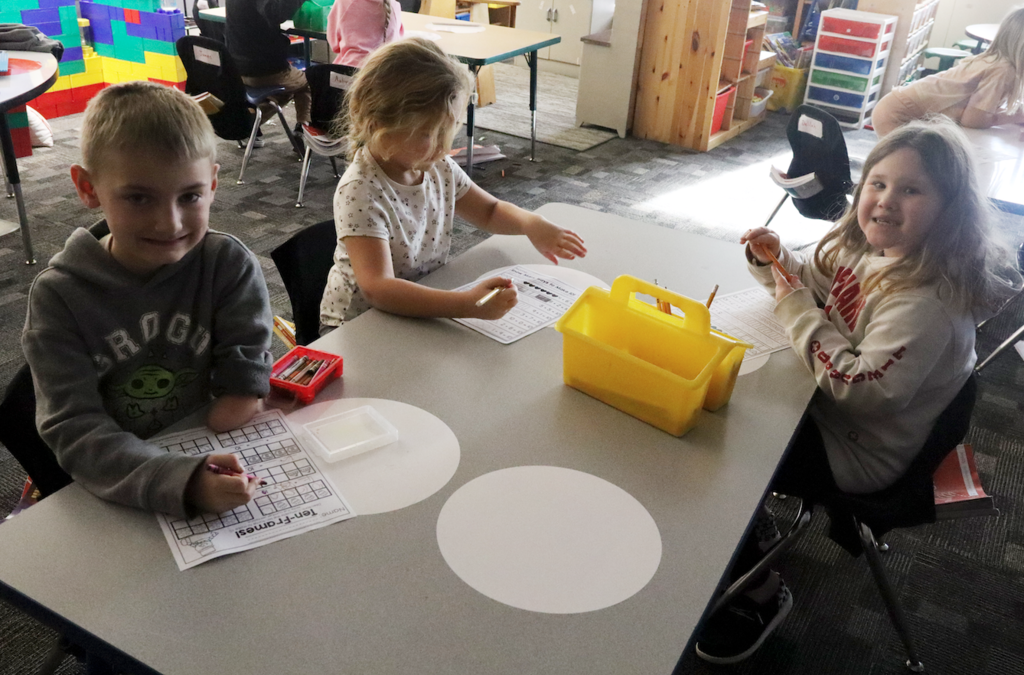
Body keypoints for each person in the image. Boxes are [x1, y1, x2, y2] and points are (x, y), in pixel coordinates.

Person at [695, 117, 1020, 664]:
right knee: (726, 404)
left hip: (861, 449)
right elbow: (813, 286)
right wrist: (774, 261)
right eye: (879, 183)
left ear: (950, 209)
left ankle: (760, 590)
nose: (887, 202)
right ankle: (754, 529)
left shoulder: (925, 303)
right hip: (832, 415)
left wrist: (794, 306)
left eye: (912, 190)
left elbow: (856, 387)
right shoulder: (867, 248)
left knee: (719, 440)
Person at [22, 81, 274, 519]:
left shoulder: (227, 263)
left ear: (213, 185)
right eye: (139, 197)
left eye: (190, 196)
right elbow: (75, 428)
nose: (169, 222)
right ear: (88, 189)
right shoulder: (58, 297)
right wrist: (183, 480)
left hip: (205, 445)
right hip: (119, 479)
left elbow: (247, 360)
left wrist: (244, 388)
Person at [319, 38, 587, 331]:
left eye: (449, 130)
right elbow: (379, 288)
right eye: (428, 133)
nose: (443, 146)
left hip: (420, 301)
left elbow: (489, 211)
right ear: (378, 124)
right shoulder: (360, 190)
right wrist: (467, 305)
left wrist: (530, 224)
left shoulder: (437, 167)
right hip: (360, 326)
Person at [873, 5, 1024, 136]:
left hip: (898, 108)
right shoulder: (1002, 70)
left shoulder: (996, 60)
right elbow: (974, 120)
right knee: (910, 165)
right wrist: (1017, 116)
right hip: (899, 114)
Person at [224, 0, 310, 148]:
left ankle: (247, 123)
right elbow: (274, 12)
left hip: (237, 66)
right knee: (309, 81)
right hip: (261, 69)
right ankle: (304, 131)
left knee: (288, 88)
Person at [326, 0, 404, 68]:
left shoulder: (344, 2)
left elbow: (334, 45)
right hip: (384, 73)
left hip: (346, 74)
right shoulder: (394, 6)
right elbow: (397, 40)